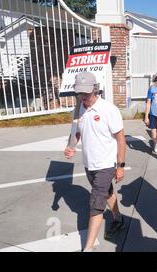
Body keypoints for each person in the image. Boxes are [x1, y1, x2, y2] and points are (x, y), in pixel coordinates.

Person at [64, 72, 127, 252]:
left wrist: (120, 165)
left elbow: (121, 139)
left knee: (96, 204)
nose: (83, 96)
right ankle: (118, 218)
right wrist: (71, 146)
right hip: (89, 164)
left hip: (106, 164)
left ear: (95, 89)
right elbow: (76, 132)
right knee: (107, 192)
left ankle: (88, 247)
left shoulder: (109, 110)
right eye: (80, 93)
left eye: (86, 92)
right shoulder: (79, 109)